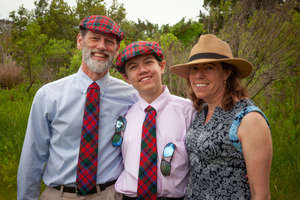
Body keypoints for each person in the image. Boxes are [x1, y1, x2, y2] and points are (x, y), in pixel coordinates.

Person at [17, 15, 137, 200]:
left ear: (116, 49)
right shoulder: (48, 95)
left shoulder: (130, 96)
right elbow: (32, 157)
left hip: (109, 194)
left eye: (109, 42)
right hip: (60, 195)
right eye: (94, 38)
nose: (102, 46)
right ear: (80, 41)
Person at [170, 34, 273, 200]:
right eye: (194, 69)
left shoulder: (249, 119)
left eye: (209, 68)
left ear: (226, 73)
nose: (199, 75)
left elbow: (261, 194)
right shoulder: (201, 112)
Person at [113, 41, 196, 200]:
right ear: (127, 78)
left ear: (162, 66)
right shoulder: (124, 116)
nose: (142, 70)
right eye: (133, 67)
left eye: (148, 62)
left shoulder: (189, 111)